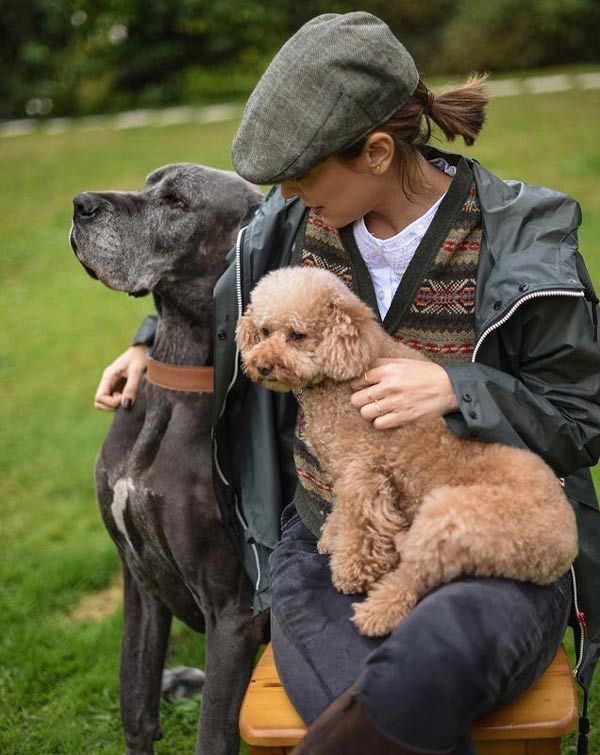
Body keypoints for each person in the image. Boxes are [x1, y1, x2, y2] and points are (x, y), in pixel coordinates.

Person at [95, 12, 600, 755]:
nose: (289, 194)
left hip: (492, 536)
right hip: (328, 539)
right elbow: (215, 276)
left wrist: (461, 388)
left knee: (430, 660)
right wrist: (148, 343)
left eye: (303, 176)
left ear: (376, 150)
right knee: (374, 683)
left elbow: (582, 416)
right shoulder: (289, 224)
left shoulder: (523, 233)